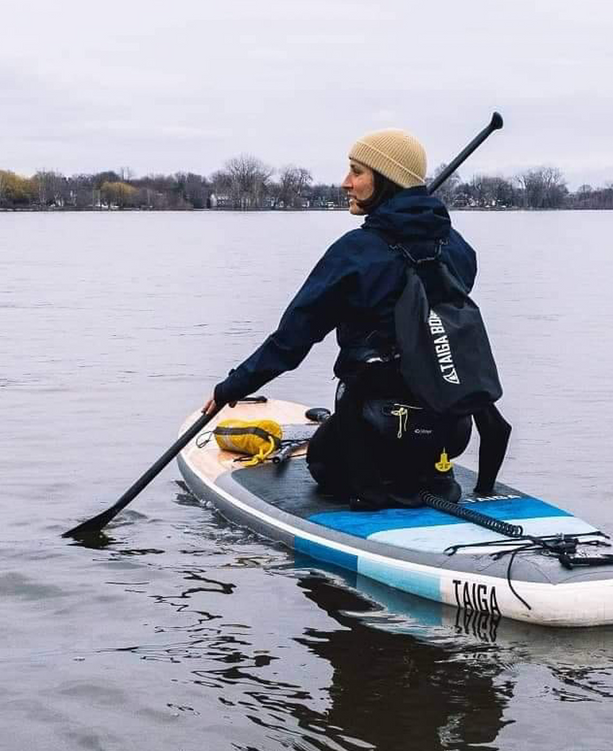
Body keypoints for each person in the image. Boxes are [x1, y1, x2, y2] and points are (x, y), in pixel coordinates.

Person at [202, 127, 479, 509]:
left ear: (386, 180)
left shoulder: (355, 253)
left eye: (357, 172)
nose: (345, 183)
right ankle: (420, 471)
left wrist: (231, 388)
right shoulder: (459, 248)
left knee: (320, 459)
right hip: (446, 434)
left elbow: (292, 340)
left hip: (370, 439)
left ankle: (374, 476)